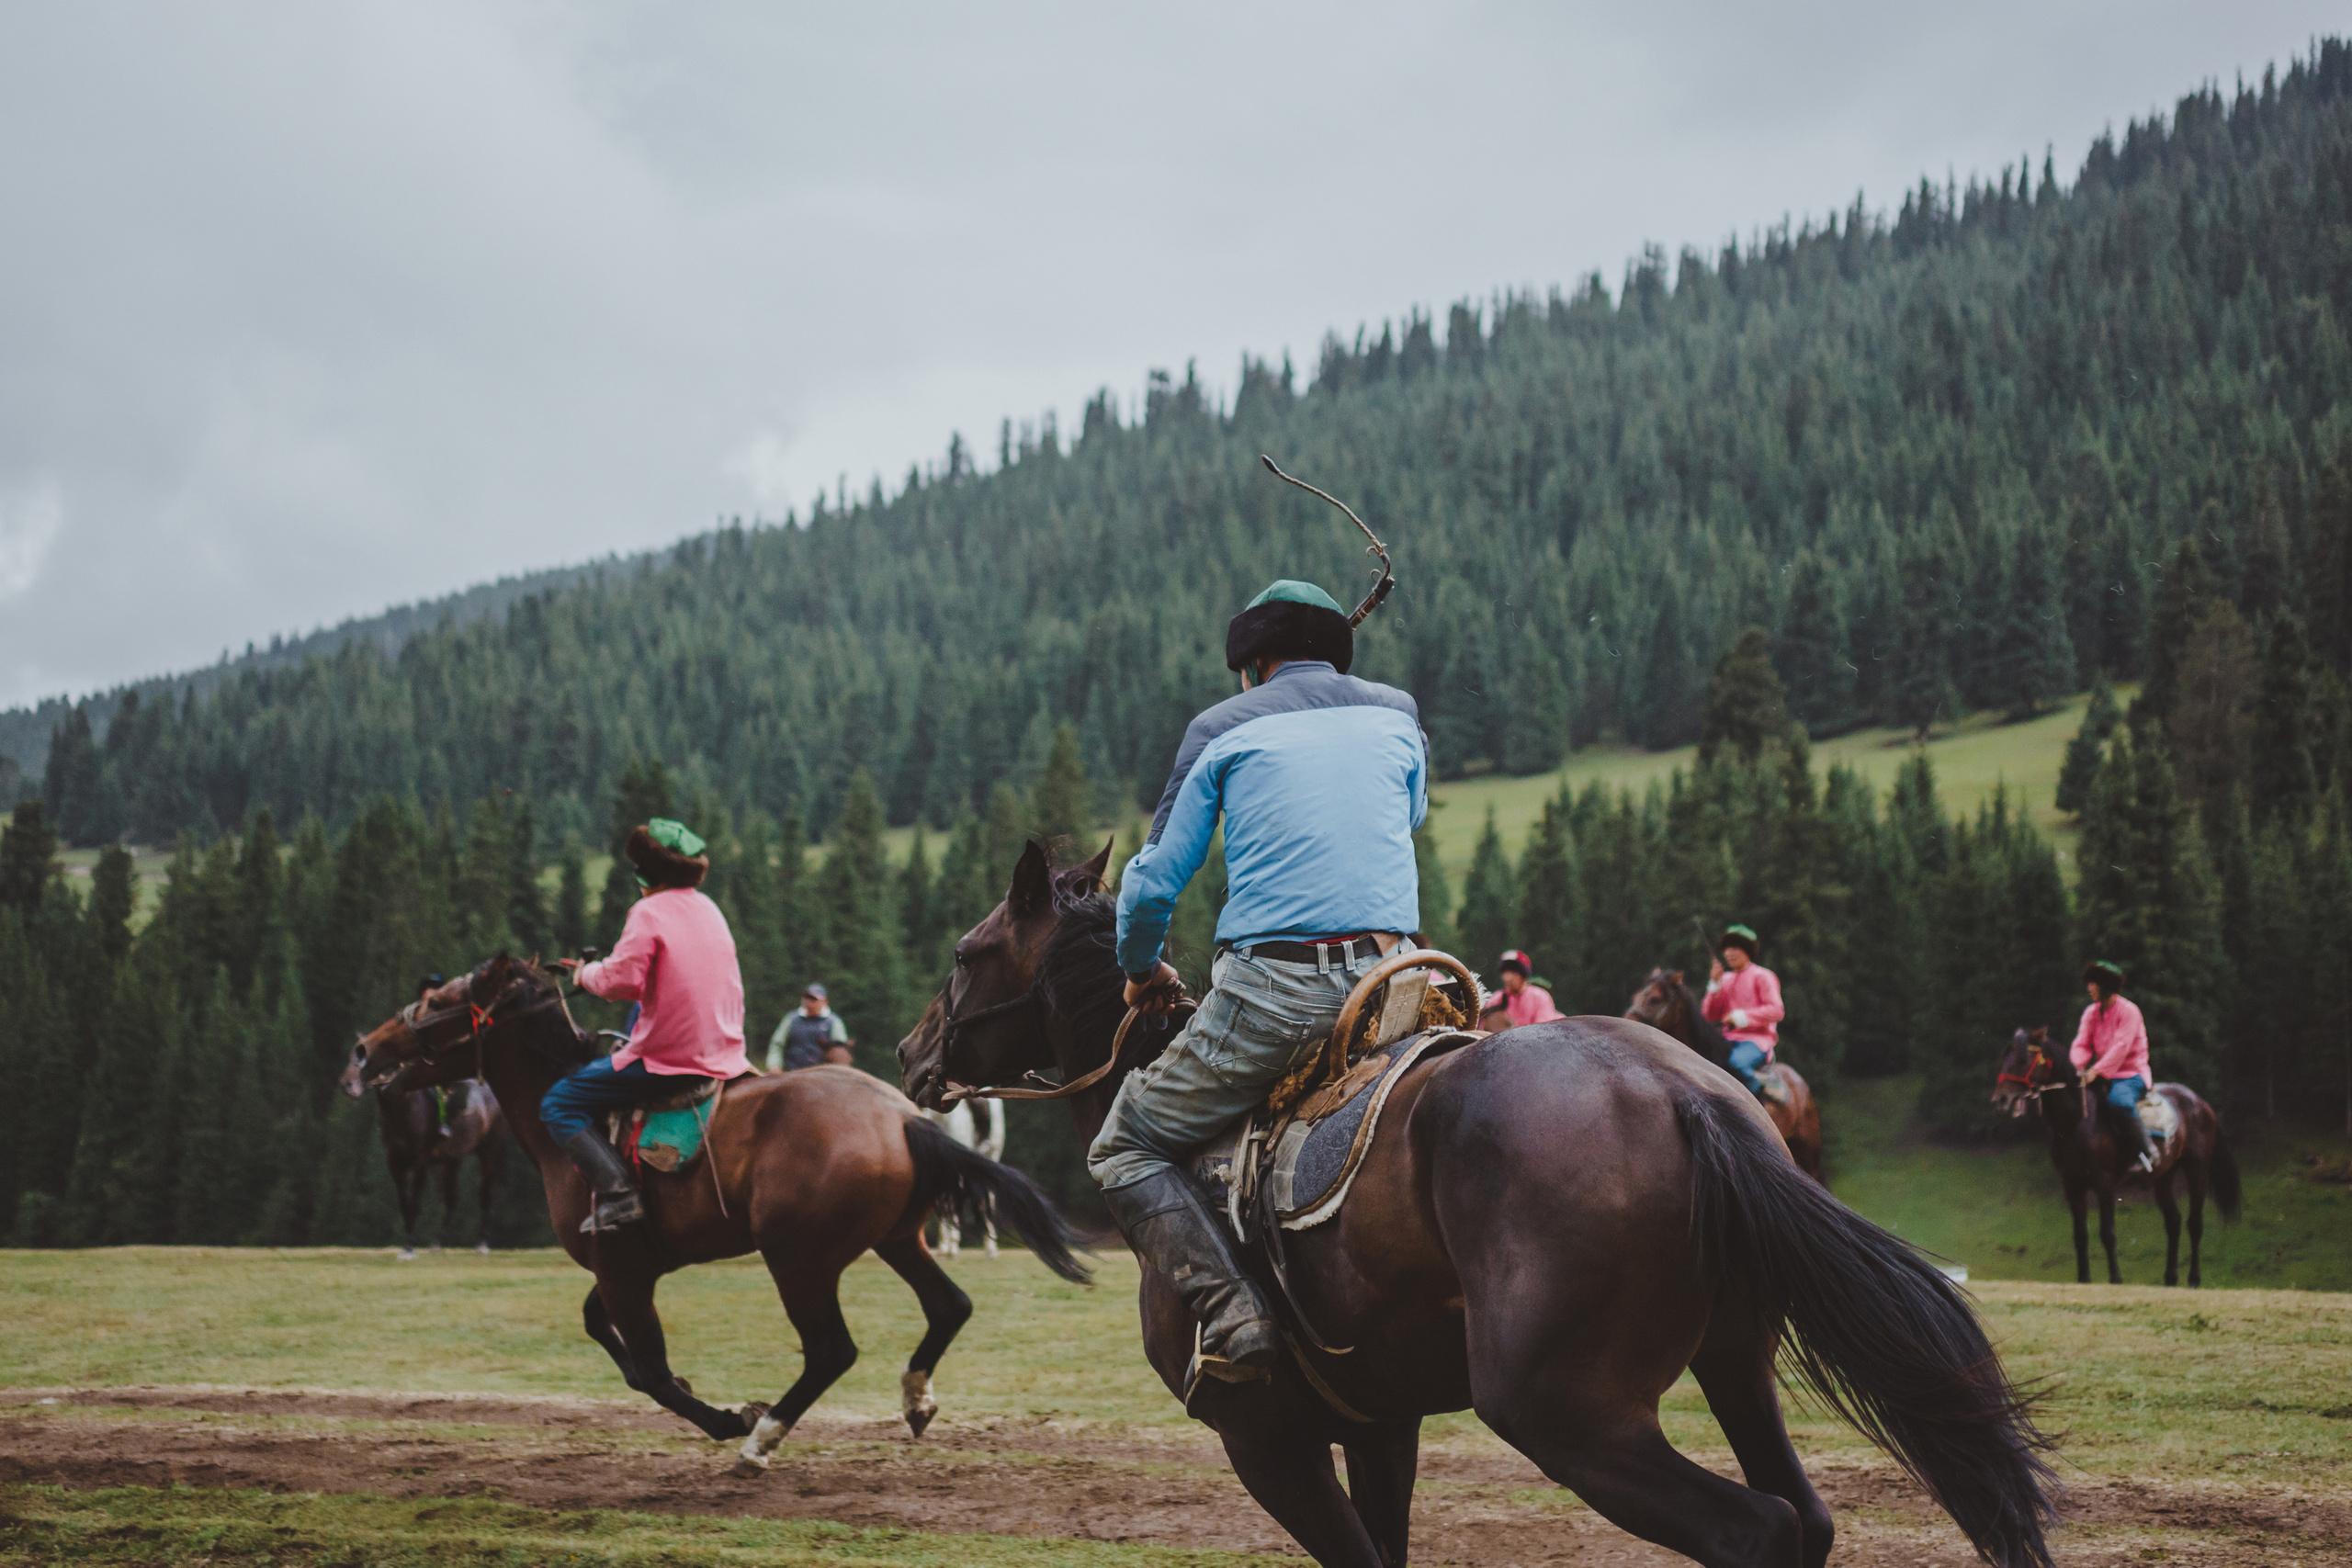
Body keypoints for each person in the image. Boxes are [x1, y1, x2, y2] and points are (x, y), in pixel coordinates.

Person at [1090, 579, 1428, 1387]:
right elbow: (1406, 816)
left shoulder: (1220, 727)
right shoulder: (1400, 713)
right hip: (1399, 985)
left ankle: (1234, 1313)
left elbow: (1151, 885)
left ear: (1254, 664)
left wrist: (1141, 968)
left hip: (1281, 995)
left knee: (1123, 1144)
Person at [547, 818, 750, 1233]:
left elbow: (621, 982)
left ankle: (619, 1196)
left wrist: (584, 974)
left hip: (670, 1058)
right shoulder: (708, 907)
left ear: (645, 873)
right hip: (726, 1053)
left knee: (558, 1103)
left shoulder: (647, 912)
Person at [2072, 959, 2156, 1173]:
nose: (2089, 988)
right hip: (2104, 1074)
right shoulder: (2091, 1013)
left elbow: (2121, 1048)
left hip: (2132, 1074)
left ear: (2106, 986)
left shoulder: (2129, 1011)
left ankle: (2148, 1151)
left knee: (2118, 1101)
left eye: (2093, 983)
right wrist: (2078, 1066)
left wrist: (2095, 1071)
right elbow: (2082, 1044)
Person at [1702, 924, 1790, 1105]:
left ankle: (1756, 1105)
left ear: (1747, 950)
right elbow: (1709, 1016)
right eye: (1726, 948)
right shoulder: (1724, 979)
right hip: (1727, 1039)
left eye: (1735, 948)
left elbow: (1776, 1010)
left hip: (1756, 1041)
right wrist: (1715, 984)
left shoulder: (1763, 976)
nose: (1728, 953)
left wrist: (1740, 1017)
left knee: (1736, 1063)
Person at [768, 983, 854, 1071]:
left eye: (814, 999)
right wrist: (774, 1066)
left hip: (821, 1074)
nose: (809, 1002)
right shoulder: (791, 1019)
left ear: (825, 1002)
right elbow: (777, 1045)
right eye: (807, 998)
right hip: (792, 1072)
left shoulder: (833, 1022)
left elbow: (840, 1050)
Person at [1493, 950, 1565, 1029]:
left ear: (1523, 975)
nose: (1507, 978)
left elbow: (1544, 1030)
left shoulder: (1540, 997)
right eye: (1505, 973)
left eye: (1513, 973)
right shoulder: (1496, 1000)